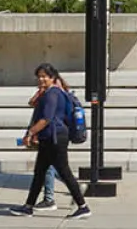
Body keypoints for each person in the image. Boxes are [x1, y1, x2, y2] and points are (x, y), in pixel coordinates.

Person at [15, 62, 89, 218]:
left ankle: (83, 206)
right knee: (40, 172)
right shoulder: (56, 92)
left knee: (64, 172)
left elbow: (46, 118)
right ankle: (28, 206)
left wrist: (30, 133)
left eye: (44, 76)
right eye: (39, 76)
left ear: (52, 77)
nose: (41, 79)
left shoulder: (52, 94)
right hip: (50, 138)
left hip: (54, 138)